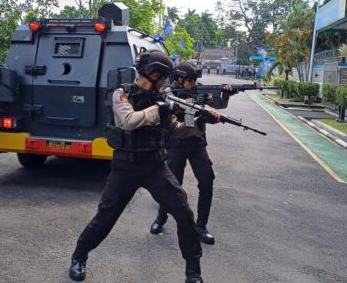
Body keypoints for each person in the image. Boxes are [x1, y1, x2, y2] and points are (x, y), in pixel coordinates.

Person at [69, 51, 205, 283]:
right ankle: (79, 256)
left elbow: (176, 129)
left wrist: (198, 118)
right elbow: (128, 121)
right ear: (155, 73)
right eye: (164, 76)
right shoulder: (122, 93)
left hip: (155, 166)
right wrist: (160, 108)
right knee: (105, 218)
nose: (165, 82)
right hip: (125, 168)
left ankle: (193, 271)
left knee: (184, 213)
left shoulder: (162, 97)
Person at [149, 62, 237, 245]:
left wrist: (225, 96)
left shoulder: (200, 91)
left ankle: (201, 226)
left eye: (195, 80)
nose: (194, 83)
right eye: (190, 80)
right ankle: (161, 218)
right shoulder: (168, 93)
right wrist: (195, 111)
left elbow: (217, 105)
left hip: (197, 144)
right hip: (176, 144)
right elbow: (182, 118)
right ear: (179, 79)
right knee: (172, 185)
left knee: (206, 182)